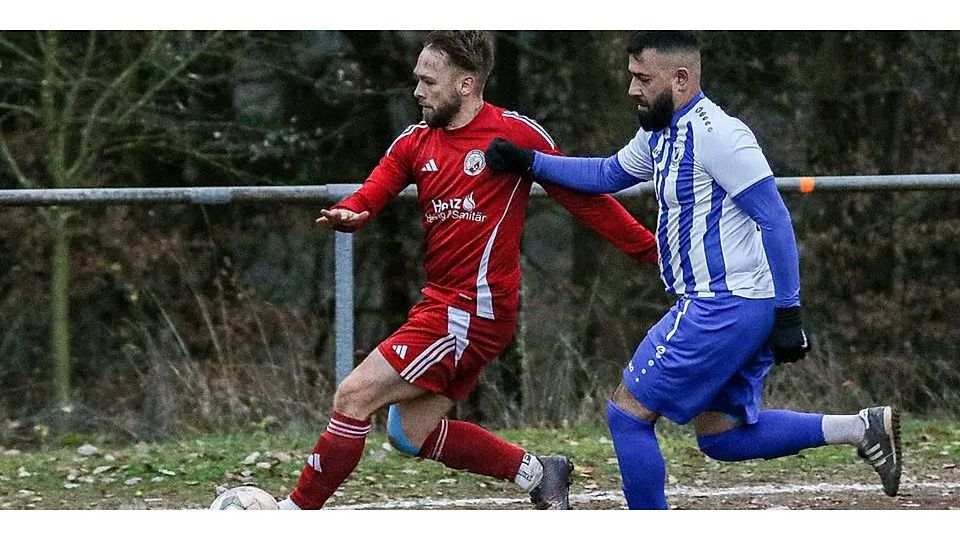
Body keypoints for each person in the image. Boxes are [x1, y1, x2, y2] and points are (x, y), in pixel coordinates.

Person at [484, 30, 902, 510]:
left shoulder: (719, 135)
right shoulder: (660, 132)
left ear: (680, 79)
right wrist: (529, 162)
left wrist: (790, 313)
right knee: (721, 436)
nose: (632, 89)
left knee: (627, 415)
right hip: (734, 307)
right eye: (631, 77)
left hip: (722, 306)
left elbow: (775, 218)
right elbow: (605, 175)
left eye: (643, 78)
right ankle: (860, 427)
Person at [275, 31, 659, 511]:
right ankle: (540, 473)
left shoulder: (513, 135)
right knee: (409, 434)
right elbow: (374, 191)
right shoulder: (415, 142)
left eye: (428, 81)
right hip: (445, 305)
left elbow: (585, 200)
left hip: (471, 312)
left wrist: (653, 251)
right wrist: (354, 212)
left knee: (353, 397)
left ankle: (291, 514)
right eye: (417, 79)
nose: (418, 91)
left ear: (466, 84)